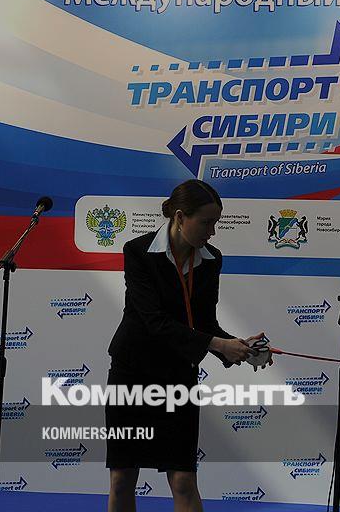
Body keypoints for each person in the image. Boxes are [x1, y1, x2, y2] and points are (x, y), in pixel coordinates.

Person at [106, 179, 271, 512]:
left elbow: (204, 323)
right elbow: (154, 321)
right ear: (180, 217)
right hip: (132, 373)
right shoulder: (137, 251)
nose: (213, 232)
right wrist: (220, 345)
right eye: (206, 223)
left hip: (179, 376)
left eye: (216, 223)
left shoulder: (211, 260)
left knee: (183, 480)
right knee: (122, 478)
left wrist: (240, 347)